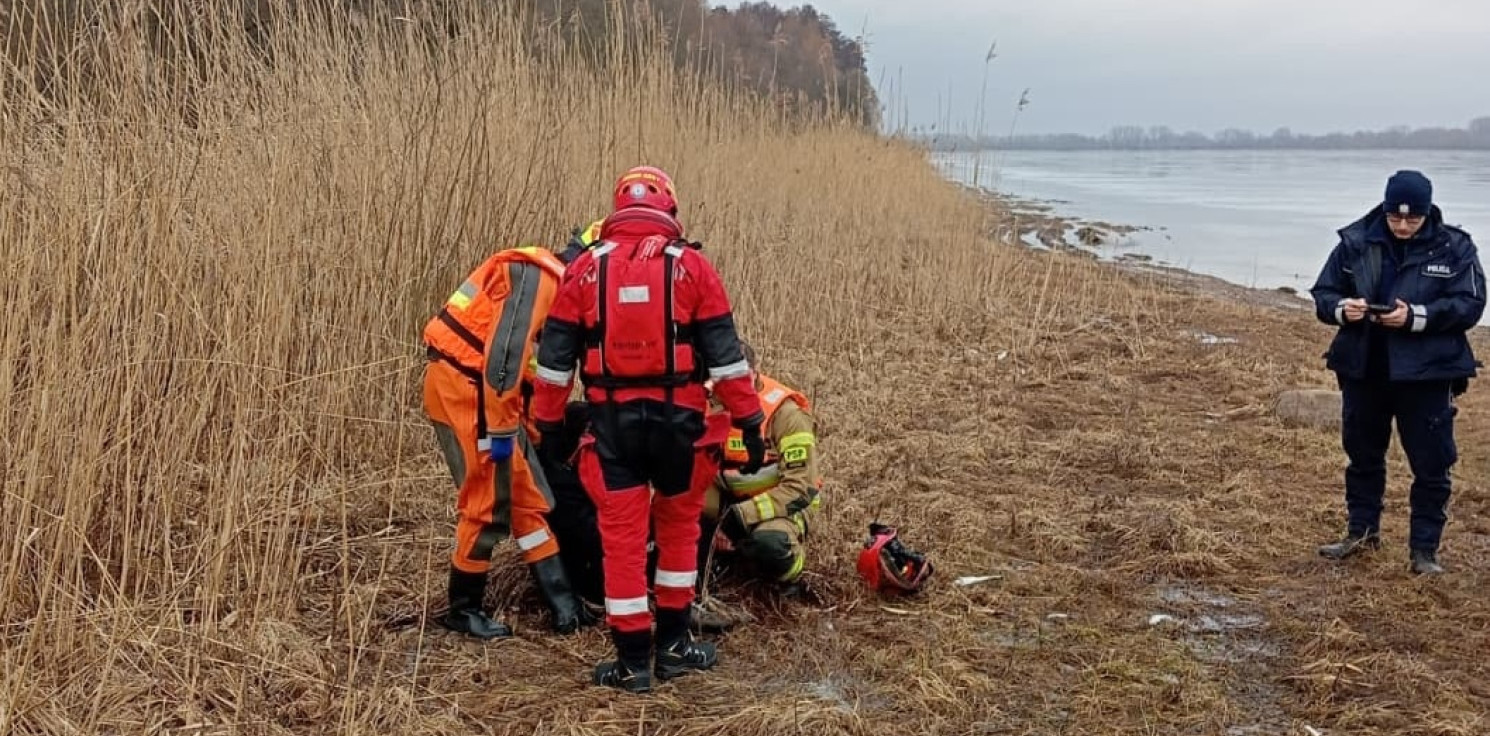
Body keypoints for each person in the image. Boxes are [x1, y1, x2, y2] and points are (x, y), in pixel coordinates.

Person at [531, 165, 766, 693]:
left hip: (611, 429)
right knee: (680, 531)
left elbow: (553, 367)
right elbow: (729, 364)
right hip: (682, 427)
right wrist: (750, 423)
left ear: (616, 211)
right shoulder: (694, 268)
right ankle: (677, 646)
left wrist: (548, 427)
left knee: (623, 543)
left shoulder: (584, 271)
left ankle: (634, 663)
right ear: (670, 210)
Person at [1309, 169, 1485, 575]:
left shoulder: (1455, 248)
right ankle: (1361, 533)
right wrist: (1342, 309)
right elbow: (1324, 294)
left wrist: (1416, 317)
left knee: (1432, 464)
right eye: (1395, 217)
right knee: (1362, 456)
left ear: (1428, 213)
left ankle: (1424, 552)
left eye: (1412, 218)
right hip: (1364, 369)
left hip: (1427, 376)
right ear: (1386, 210)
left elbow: (1470, 304)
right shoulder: (1356, 242)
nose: (1403, 225)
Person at [421, 242, 597, 639]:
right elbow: (504, 359)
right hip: (470, 394)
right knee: (486, 502)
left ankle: (564, 605)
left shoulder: (547, 283)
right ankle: (463, 609)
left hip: (483, 396)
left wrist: (528, 428)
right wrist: (502, 433)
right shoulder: (540, 278)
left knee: (526, 499)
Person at [703, 340, 822, 592]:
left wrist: (738, 519)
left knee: (770, 546)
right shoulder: (706, 402)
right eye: (724, 382)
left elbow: (802, 488)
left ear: (754, 373)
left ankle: (792, 574)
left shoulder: (786, 415)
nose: (732, 391)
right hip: (728, 498)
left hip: (783, 505)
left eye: (740, 379)